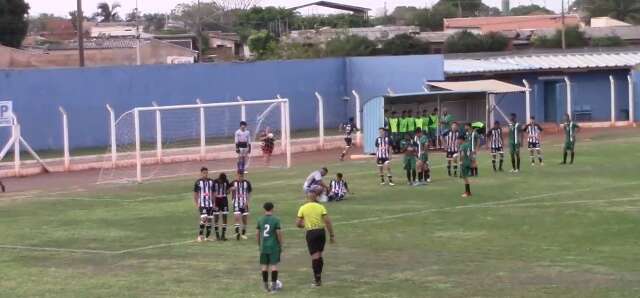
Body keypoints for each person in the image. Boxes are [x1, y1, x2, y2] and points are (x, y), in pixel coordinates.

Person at [296, 185, 335, 287]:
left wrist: (306, 224)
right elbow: (327, 221)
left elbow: (298, 224)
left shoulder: (303, 208)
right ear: (316, 197)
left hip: (311, 232)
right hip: (321, 232)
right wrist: (331, 235)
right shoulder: (321, 207)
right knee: (319, 254)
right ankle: (319, 276)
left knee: (315, 256)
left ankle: (317, 280)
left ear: (308, 197)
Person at [256, 202, 283, 293]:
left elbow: (257, 233)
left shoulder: (260, 219)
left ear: (264, 209)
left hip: (264, 246)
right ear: (272, 208)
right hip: (273, 246)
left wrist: (259, 244)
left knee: (264, 266)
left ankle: (265, 286)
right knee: (274, 266)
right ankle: (274, 287)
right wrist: (280, 243)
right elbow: (278, 233)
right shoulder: (276, 220)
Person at [193, 167, 214, 242]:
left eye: (206, 172)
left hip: (210, 204)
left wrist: (214, 203)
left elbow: (213, 193)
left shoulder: (211, 181)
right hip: (202, 203)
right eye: (204, 173)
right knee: (204, 218)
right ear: (201, 173)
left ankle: (207, 237)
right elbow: (195, 194)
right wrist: (197, 204)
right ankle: (200, 236)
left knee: (210, 220)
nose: (205, 174)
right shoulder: (198, 182)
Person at [230, 172, 252, 240]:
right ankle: (237, 233)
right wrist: (231, 189)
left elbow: (249, 193)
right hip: (236, 203)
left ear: (243, 176)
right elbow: (226, 190)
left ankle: (243, 233)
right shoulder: (233, 183)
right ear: (237, 176)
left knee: (244, 219)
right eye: (239, 176)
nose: (240, 178)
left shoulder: (247, 183)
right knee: (237, 217)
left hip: (244, 203)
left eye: (241, 176)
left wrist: (247, 202)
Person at [213, 172, 231, 241]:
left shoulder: (226, 181)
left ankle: (223, 235)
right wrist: (213, 203)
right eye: (221, 181)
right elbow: (213, 192)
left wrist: (227, 191)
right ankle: (217, 235)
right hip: (217, 200)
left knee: (225, 216)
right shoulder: (215, 182)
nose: (222, 182)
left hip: (224, 200)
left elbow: (228, 191)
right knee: (216, 217)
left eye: (223, 181)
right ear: (219, 178)